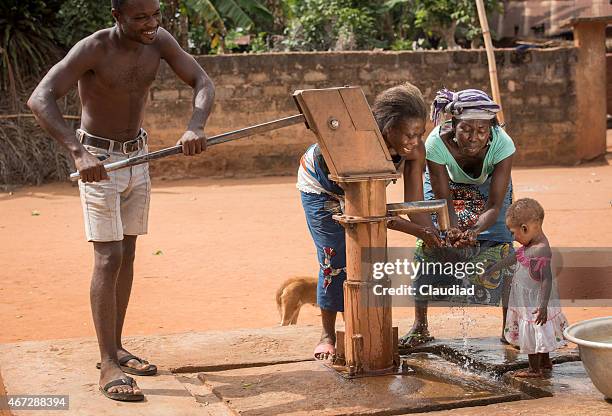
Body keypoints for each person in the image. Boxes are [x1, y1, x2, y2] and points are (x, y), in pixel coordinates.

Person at [27, 0, 215, 401]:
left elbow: (202, 82)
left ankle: (116, 347)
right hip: (98, 160)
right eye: (140, 18)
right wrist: (78, 152)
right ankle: (108, 364)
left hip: (139, 156)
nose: (151, 24)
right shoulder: (93, 48)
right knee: (108, 256)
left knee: (127, 253)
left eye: (155, 15)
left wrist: (195, 127)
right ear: (117, 17)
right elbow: (40, 98)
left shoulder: (159, 41)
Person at [297, 83, 442, 360]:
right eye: (408, 134)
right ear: (387, 128)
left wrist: (432, 232)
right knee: (334, 258)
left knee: (369, 256)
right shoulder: (363, 146)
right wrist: (420, 232)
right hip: (320, 187)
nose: (414, 141)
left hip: (363, 194)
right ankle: (328, 333)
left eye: (419, 134)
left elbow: (414, 205)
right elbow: (370, 212)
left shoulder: (414, 150)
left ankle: (361, 326)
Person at [400, 88, 515, 349]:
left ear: (490, 129)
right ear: (453, 125)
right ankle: (420, 325)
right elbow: (444, 202)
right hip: (446, 186)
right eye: (466, 129)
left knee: (503, 246)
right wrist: (451, 231)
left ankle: (510, 326)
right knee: (431, 243)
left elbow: (495, 205)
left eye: (482, 130)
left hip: (489, 191)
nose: (474, 137)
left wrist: (474, 231)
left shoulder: (503, 144)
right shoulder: (436, 144)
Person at [485, 198, 568, 377]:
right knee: (539, 331)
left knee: (532, 332)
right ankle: (545, 362)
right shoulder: (530, 244)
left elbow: (547, 279)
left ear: (525, 228)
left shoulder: (540, 250)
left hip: (534, 303)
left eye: (513, 233)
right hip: (530, 300)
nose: (512, 237)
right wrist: (493, 269)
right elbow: (514, 258)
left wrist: (543, 306)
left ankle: (534, 369)